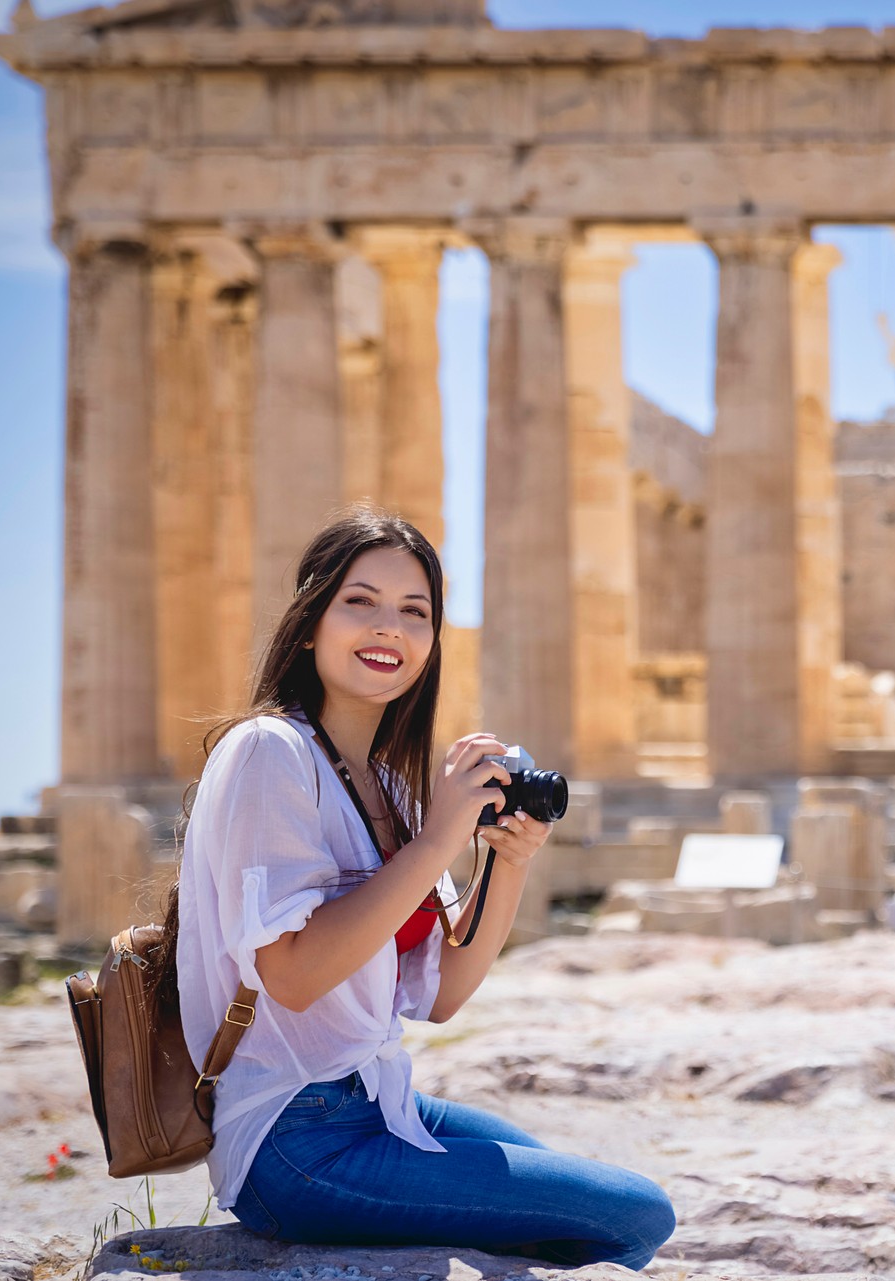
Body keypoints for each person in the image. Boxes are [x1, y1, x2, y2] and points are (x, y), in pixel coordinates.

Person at [158, 508, 675, 1268]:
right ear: (309, 624)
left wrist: (509, 859)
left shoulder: (390, 784)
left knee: (572, 1197)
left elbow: (442, 995)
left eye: (415, 611)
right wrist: (438, 840)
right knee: (635, 1213)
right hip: (293, 1137)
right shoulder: (268, 751)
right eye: (359, 601)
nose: (388, 628)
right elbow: (293, 976)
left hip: (376, 1100)